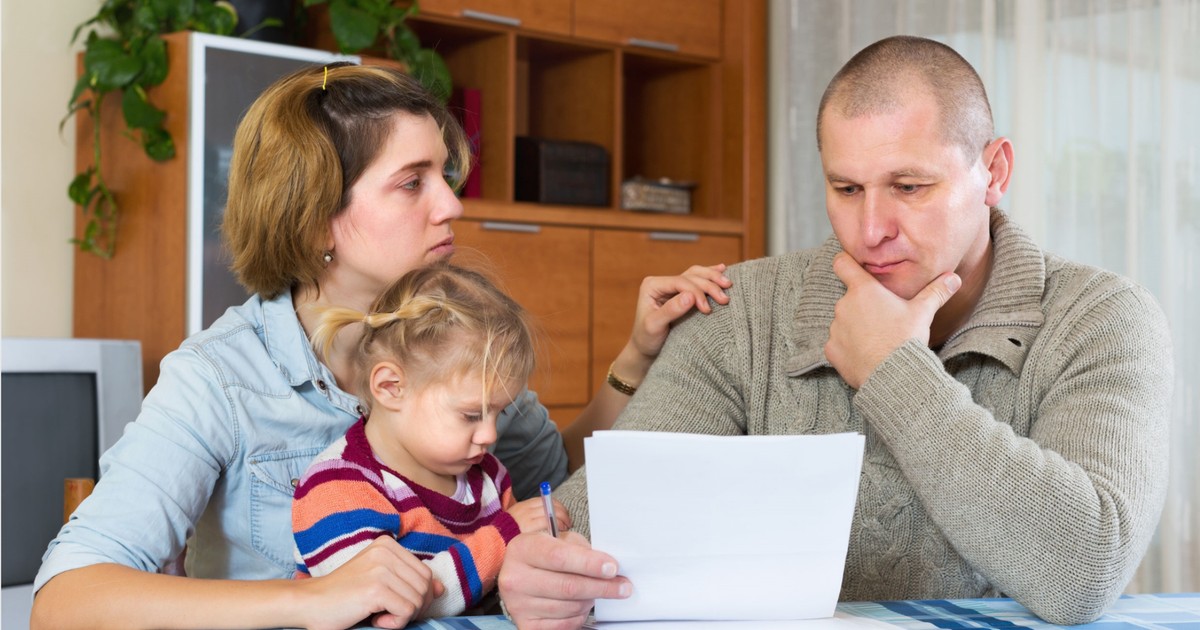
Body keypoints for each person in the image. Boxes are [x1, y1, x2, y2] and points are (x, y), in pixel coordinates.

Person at [497, 35, 1173, 628]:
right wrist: (544, 572)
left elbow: (1084, 571)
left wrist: (891, 370)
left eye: (909, 187)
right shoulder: (742, 310)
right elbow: (595, 524)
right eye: (846, 189)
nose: (870, 229)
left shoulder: (1103, 319)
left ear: (993, 172)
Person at [31, 63, 731, 630]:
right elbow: (65, 600)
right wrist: (307, 600)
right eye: (411, 183)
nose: (452, 205)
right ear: (315, 222)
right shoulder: (220, 378)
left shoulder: (456, 328)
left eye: (444, 177)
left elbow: (557, 477)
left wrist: (636, 360)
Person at [293, 263, 570, 623]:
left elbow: (508, 582)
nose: (490, 435)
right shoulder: (337, 489)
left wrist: (540, 546)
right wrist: (507, 536)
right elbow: (388, 609)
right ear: (391, 387)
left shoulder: (487, 477)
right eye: (472, 415)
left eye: (498, 414)